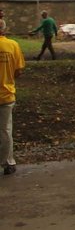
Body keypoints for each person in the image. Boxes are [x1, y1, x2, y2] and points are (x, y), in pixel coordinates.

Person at [0, 19, 25, 175]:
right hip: (6, 95)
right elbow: (19, 70)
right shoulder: (12, 45)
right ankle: (8, 162)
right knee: (5, 130)